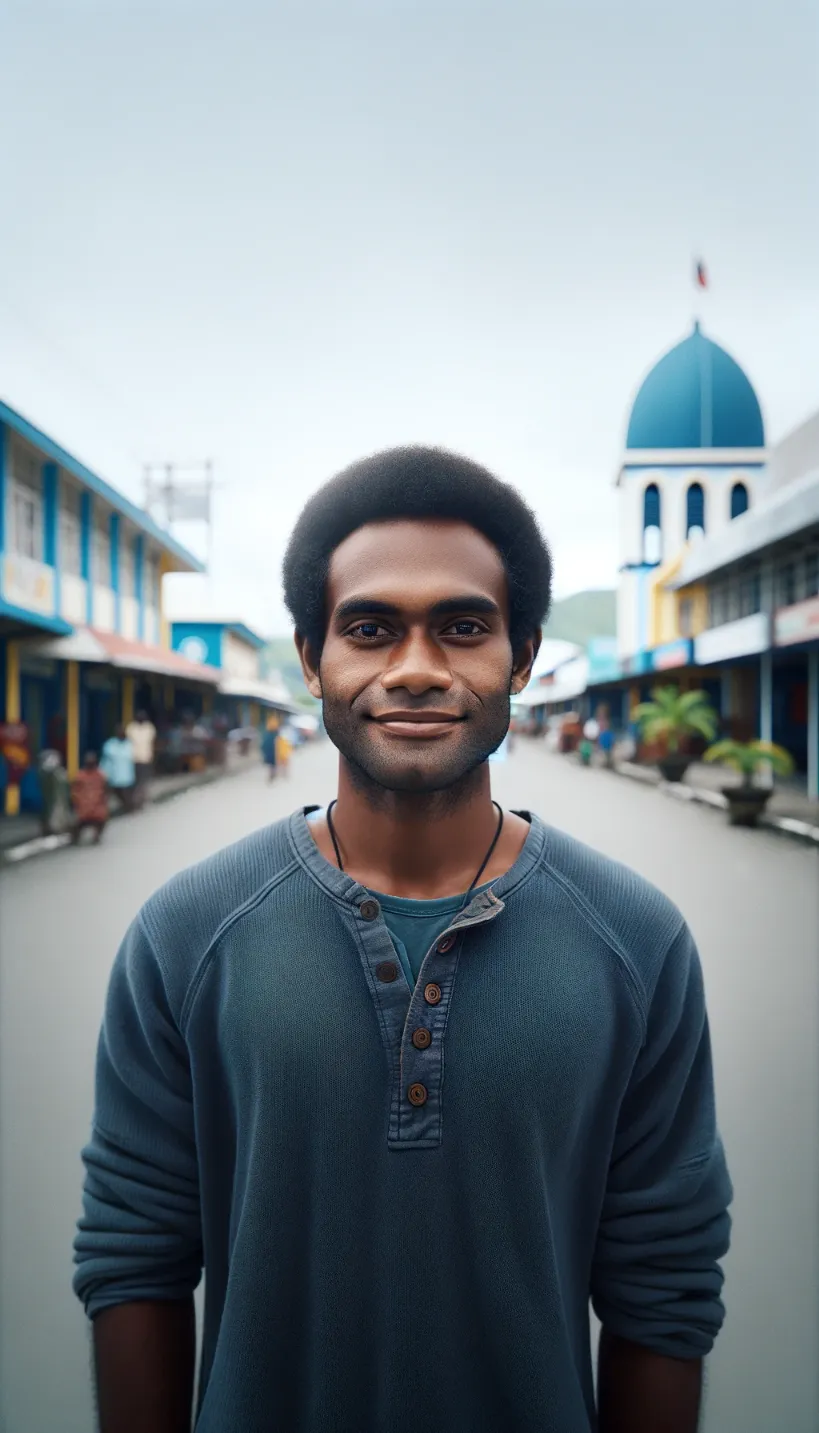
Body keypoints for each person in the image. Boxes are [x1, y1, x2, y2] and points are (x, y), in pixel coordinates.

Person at [74, 447, 733, 1433]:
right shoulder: (187, 933)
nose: (417, 669)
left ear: (522, 654)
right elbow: (134, 1256)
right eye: (371, 627)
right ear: (311, 657)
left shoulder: (637, 942)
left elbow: (665, 1287)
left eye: (463, 626)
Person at [70, 752, 109, 845]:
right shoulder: (80, 776)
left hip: (95, 808)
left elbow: (106, 790)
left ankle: (96, 836)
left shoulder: (100, 775)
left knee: (101, 819)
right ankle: (75, 838)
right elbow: (74, 790)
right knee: (77, 823)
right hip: (85, 808)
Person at [99, 723, 136, 813]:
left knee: (126, 797)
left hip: (127, 778)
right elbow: (105, 762)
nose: (121, 734)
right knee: (109, 796)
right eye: (119, 732)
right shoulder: (110, 745)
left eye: (123, 732)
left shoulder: (130, 744)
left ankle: (129, 810)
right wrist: (103, 774)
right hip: (113, 777)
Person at [126, 709, 157, 810]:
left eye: (143, 717)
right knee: (134, 781)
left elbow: (152, 742)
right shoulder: (131, 728)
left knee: (143, 780)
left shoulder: (149, 728)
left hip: (146, 758)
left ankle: (142, 800)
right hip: (133, 758)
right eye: (139, 717)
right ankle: (134, 801)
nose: (141, 719)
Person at [261, 715, 278, 782]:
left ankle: (272, 774)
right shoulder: (275, 734)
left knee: (271, 764)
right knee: (273, 764)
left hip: (271, 751)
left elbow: (263, 744)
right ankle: (272, 774)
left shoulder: (267, 734)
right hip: (273, 751)